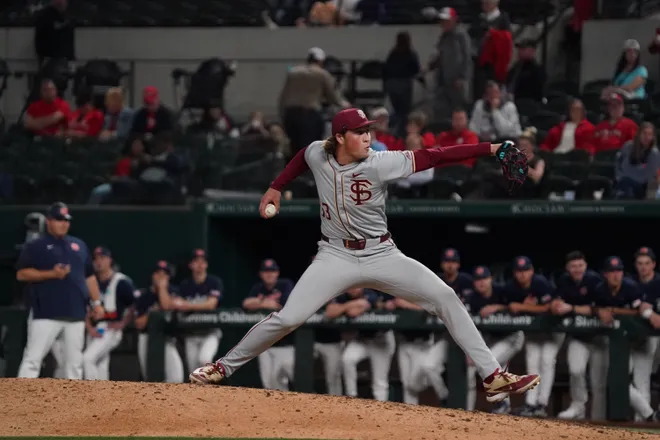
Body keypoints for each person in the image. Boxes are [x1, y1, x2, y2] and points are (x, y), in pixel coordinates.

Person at [190, 107, 538, 405]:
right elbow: (300, 158)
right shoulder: (318, 153)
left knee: (446, 297)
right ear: (340, 137)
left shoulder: (381, 163)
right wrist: (276, 186)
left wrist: (493, 148)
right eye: (360, 132)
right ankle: (222, 367)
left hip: (381, 253)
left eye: (369, 130)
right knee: (288, 318)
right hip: (334, 257)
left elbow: (437, 155)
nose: (368, 136)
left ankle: (493, 376)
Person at [16, 202, 104, 379]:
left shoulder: (78, 245)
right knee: (33, 359)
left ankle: (73, 405)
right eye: (59, 220)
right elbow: (22, 274)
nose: (63, 224)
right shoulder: (37, 245)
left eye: (66, 220)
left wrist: (96, 302)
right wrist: (51, 273)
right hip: (46, 312)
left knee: (74, 364)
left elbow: (89, 277)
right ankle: (20, 401)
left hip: (75, 313)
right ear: (48, 221)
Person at [551, 251, 603, 420]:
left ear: (585, 266)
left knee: (598, 383)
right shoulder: (563, 281)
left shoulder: (595, 280)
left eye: (580, 265)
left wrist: (571, 308)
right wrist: (556, 305)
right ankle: (578, 406)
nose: (577, 269)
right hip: (578, 336)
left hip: (599, 338)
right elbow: (556, 301)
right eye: (573, 266)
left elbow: (599, 309)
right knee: (575, 370)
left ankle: (598, 417)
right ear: (567, 268)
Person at [504, 256, 558, 417]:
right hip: (534, 332)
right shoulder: (512, 287)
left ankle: (542, 404)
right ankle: (530, 403)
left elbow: (550, 308)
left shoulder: (540, 283)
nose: (522, 274)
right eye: (519, 271)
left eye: (526, 270)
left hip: (553, 329)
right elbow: (509, 306)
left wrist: (523, 306)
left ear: (532, 271)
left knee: (547, 361)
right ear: (514, 273)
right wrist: (527, 307)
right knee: (532, 362)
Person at [278, 47, 350, 156]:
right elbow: (332, 97)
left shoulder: (293, 72)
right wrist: (345, 104)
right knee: (309, 147)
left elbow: (283, 96)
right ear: (321, 61)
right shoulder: (321, 74)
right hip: (309, 115)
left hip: (291, 114)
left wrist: (282, 115)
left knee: (294, 146)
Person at [83, 246, 135, 380]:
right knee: (101, 364)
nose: (99, 262)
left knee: (87, 359)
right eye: (96, 259)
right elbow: (85, 308)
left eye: (102, 258)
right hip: (94, 328)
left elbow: (134, 305)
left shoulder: (121, 281)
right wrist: (89, 328)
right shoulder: (91, 281)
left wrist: (123, 323)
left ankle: (91, 393)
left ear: (110, 260)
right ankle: (103, 397)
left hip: (109, 328)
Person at [134, 261, 184, 383]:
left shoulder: (174, 292)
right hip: (147, 338)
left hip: (166, 338)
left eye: (164, 274)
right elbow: (139, 324)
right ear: (153, 276)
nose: (161, 277)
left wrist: (162, 288)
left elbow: (166, 306)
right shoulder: (143, 296)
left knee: (176, 377)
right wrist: (151, 313)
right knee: (149, 377)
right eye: (158, 273)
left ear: (169, 277)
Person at [177, 249, 223, 374]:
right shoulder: (185, 285)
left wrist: (189, 305)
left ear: (206, 265)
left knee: (204, 360)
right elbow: (178, 304)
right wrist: (196, 305)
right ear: (190, 265)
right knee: (193, 372)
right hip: (191, 333)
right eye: (196, 261)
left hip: (210, 332)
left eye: (202, 262)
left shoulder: (214, 282)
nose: (200, 265)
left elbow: (211, 304)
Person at [427, 7, 472, 121]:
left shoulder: (461, 36)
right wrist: (432, 65)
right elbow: (439, 55)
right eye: (442, 21)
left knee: (458, 110)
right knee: (441, 110)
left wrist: (462, 78)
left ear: (454, 20)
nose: (444, 23)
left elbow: (467, 58)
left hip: (456, 82)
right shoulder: (443, 37)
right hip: (443, 80)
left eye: (447, 20)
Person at [383, 31, 420, 137]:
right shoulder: (410, 53)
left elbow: (386, 70)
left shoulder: (393, 53)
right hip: (404, 84)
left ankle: (393, 131)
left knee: (396, 110)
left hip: (392, 85)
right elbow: (416, 69)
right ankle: (401, 133)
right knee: (404, 112)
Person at [614, 122, 660, 199]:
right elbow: (618, 164)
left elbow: (652, 176)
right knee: (623, 188)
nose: (647, 137)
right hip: (624, 182)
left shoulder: (654, 153)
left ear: (653, 137)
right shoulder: (628, 146)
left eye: (649, 134)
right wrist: (620, 177)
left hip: (643, 187)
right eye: (644, 133)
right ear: (639, 134)